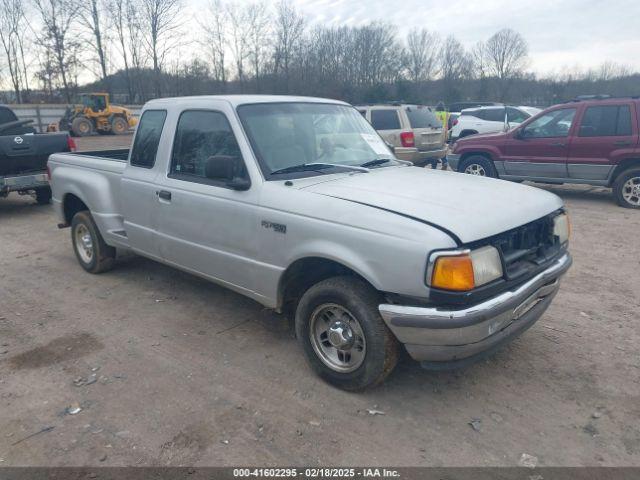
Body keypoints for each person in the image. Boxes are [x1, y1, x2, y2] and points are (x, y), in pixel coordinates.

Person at [434, 102, 449, 170]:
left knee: (434, 148)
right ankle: (444, 161)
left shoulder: (433, 113)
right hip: (444, 133)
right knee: (442, 148)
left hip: (435, 133)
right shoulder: (446, 114)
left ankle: (434, 164)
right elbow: (450, 124)